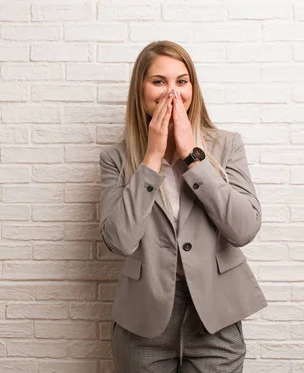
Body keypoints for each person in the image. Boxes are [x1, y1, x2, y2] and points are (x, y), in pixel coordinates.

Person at [99, 40, 267, 373]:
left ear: (193, 88)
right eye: (158, 81)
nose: (171, 92)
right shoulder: (115, 159)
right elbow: (119, 240)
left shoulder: (227, 145)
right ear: (141, 89)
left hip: (216, 314)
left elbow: (244, 228)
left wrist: (192, 155)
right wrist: (152, 157)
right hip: (143, 318)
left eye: (181, 80)